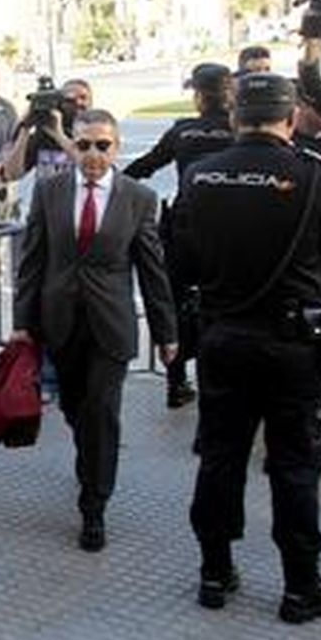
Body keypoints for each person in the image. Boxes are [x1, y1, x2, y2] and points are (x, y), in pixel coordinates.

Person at [172, 73, 321, 623]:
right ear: (291, 116)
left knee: (220, 456)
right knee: (294, 464)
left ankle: (214, 571)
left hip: (223, 337)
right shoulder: (313, 175)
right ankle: (301, 586)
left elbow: (180, 261)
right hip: (293, 344)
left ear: (235, 117)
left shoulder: (201, 176)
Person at [13, 109, 177, 551]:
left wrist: (166, 333)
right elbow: (32, 260)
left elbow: (152, 269)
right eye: (83, 145)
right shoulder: (49, 192)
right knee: (75, 407)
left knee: (101, 412)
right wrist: (21, 325)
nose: (92, 154)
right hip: (60, 323)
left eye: (102, 145)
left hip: (111, 326)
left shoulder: (138, 198)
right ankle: (91, 456)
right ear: (73, 147)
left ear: (116, 148)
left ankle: (94, 505)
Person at [123, 62, 237, 408]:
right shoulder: (240, 131)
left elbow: (144, 166)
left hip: (185, 231)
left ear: (199, 96)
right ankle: (222, 383)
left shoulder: (182, 131)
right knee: (228, 306)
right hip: (229, 234)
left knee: (171, 304)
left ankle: (176, 382)